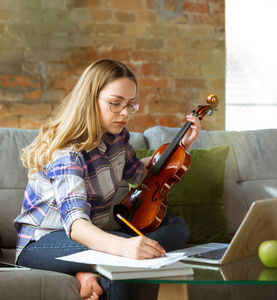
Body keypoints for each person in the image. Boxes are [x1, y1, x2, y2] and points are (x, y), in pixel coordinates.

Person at [14, 59, 201, 300]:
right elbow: (76, 226)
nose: (124, 113)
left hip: (90, 236)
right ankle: (91, 265)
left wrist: (181, 147)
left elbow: (139, 173)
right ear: (90, 100)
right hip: (42, 242)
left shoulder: (118, 135)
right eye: (115, 103)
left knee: (178, 228)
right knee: (121, 251)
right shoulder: (67, 153)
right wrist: (123, 247)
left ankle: (86, 269)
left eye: (130, 105)